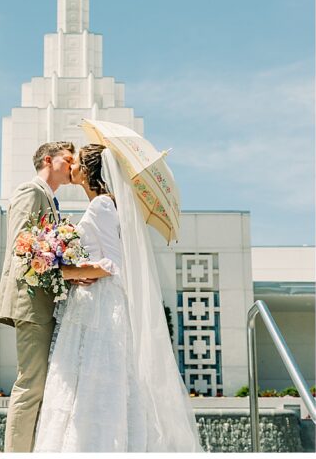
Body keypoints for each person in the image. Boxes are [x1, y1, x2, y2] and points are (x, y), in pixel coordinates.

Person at [33, 144, 202, 452]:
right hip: (91, 302)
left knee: (93, 384)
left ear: (87, 171)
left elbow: (113, 264)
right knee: (89, 382)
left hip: (99, 307)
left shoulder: (101, 206)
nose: (71, 164)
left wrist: (66, 271)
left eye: (77, 161)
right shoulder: (105, 204)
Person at [0, 140, 78, 453]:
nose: (71, 165)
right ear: (47, 159)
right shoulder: (30, 191)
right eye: (67, 159)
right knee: (31, 384)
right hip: (29, 302)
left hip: (45, 302)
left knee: (42, 385)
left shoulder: (52, 201)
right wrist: (63, 268)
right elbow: (23, 245)